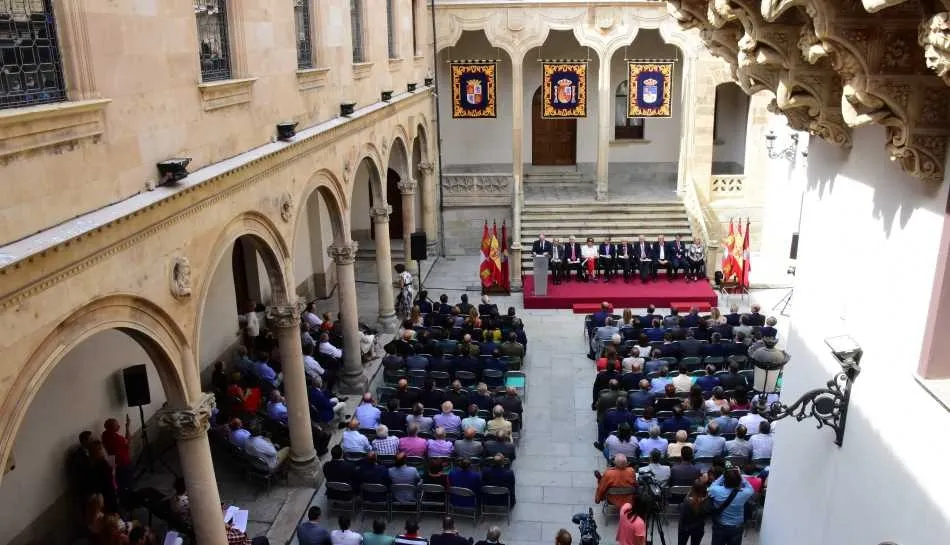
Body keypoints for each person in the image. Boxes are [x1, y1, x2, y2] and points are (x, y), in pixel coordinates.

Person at [708, 464, 756, 545]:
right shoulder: (744, 493)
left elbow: (713, 485)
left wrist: (724, 474)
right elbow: (750, 488)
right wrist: (740, 475)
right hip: (736, 527)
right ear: (739, 480)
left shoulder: (716, 491)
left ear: (725, 480)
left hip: (720, 525)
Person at [101, 416, 133, 495]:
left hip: (119, 464)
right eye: (116, 425)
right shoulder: (114, 438)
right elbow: (128, 441)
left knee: (122, 484)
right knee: (126, 484)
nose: (119, 426)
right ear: (110, 428)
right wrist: (127, 427)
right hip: (122, 464)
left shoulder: (107, 435)